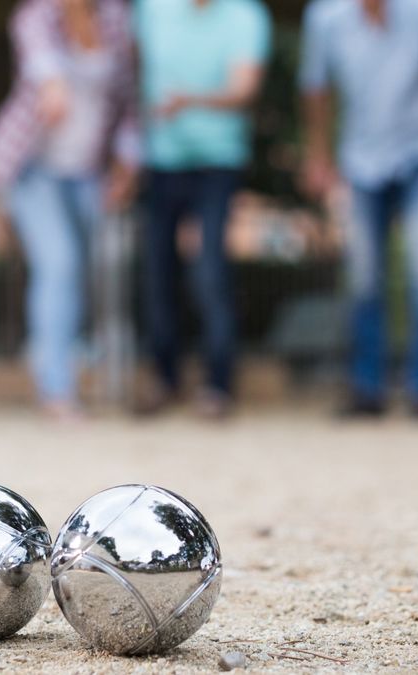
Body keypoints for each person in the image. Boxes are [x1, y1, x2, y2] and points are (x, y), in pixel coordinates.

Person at [299, 0, 418, 419]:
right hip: (361, 160)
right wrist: (318, 155)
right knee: (362, 279)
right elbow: (316, 89)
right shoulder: (325, 19)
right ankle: (368, 390)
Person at [0, 0, 141, 422]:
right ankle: (57, 390)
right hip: (30, 167)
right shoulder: (36, 17)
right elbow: (43, 69)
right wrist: (53, 88)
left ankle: (66, 364)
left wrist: (126, 164)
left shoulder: (117, 21)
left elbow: (129, 98)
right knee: (59, 264)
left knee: (86, 271)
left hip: (87, 170)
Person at [132, 0, 271, 419]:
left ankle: (218, 384)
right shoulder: (150, 10)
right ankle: (164, 378)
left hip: (218, 159)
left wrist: (190, 101)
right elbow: (133, 77)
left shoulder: (246, 16)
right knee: (156, 271)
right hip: (160, 159)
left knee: (210, 270)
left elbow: (246, 88)